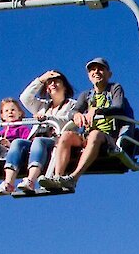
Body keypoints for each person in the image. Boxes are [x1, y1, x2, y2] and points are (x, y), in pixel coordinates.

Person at [44, 57, 132, 190]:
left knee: (95, 134)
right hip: (87, 135)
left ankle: (73, 178)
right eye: (92, 70)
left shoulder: (114, 89)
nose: (96, 72)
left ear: (109, 74)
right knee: (66, 135)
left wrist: (98, 110)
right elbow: (72, 111)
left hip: (108, 137)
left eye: (100, 69)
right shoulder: (86, 95)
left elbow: (118, 106)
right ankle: (57, 177)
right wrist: (76, 115)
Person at [16, 69, 80, 195]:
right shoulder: (42, 106)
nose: (53, 85)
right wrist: (41, 79)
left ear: (65, 86)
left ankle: (31, 180)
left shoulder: (73, 105)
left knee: (39, 142)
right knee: (18, 143)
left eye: (56, 82)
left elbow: (70, 121)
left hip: (56, 141)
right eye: (49, 83)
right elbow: (25, 98)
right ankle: (8, 182)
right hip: (36, 141)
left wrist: (47, 118)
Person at [0, 98, 38, 195]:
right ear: (2, 116)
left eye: (13, 110)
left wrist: (9, 144)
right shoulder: (2, 132)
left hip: (18, 154)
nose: (10, 112)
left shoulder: (23, 129)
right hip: (3, 154)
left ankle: (9, 183)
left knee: (16, 143)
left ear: (20, 113)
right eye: (6, 111)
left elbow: (26, 144)